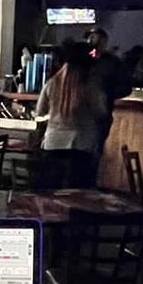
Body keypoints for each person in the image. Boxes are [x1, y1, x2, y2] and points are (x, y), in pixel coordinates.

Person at [34, 42, 108, 187]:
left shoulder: (52, 83)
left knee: (52, 191)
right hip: (83, 144)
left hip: (53, 142)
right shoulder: (90, 86)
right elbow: (100, 112)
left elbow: (39, 112)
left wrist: (53, 117)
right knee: (79, 192)